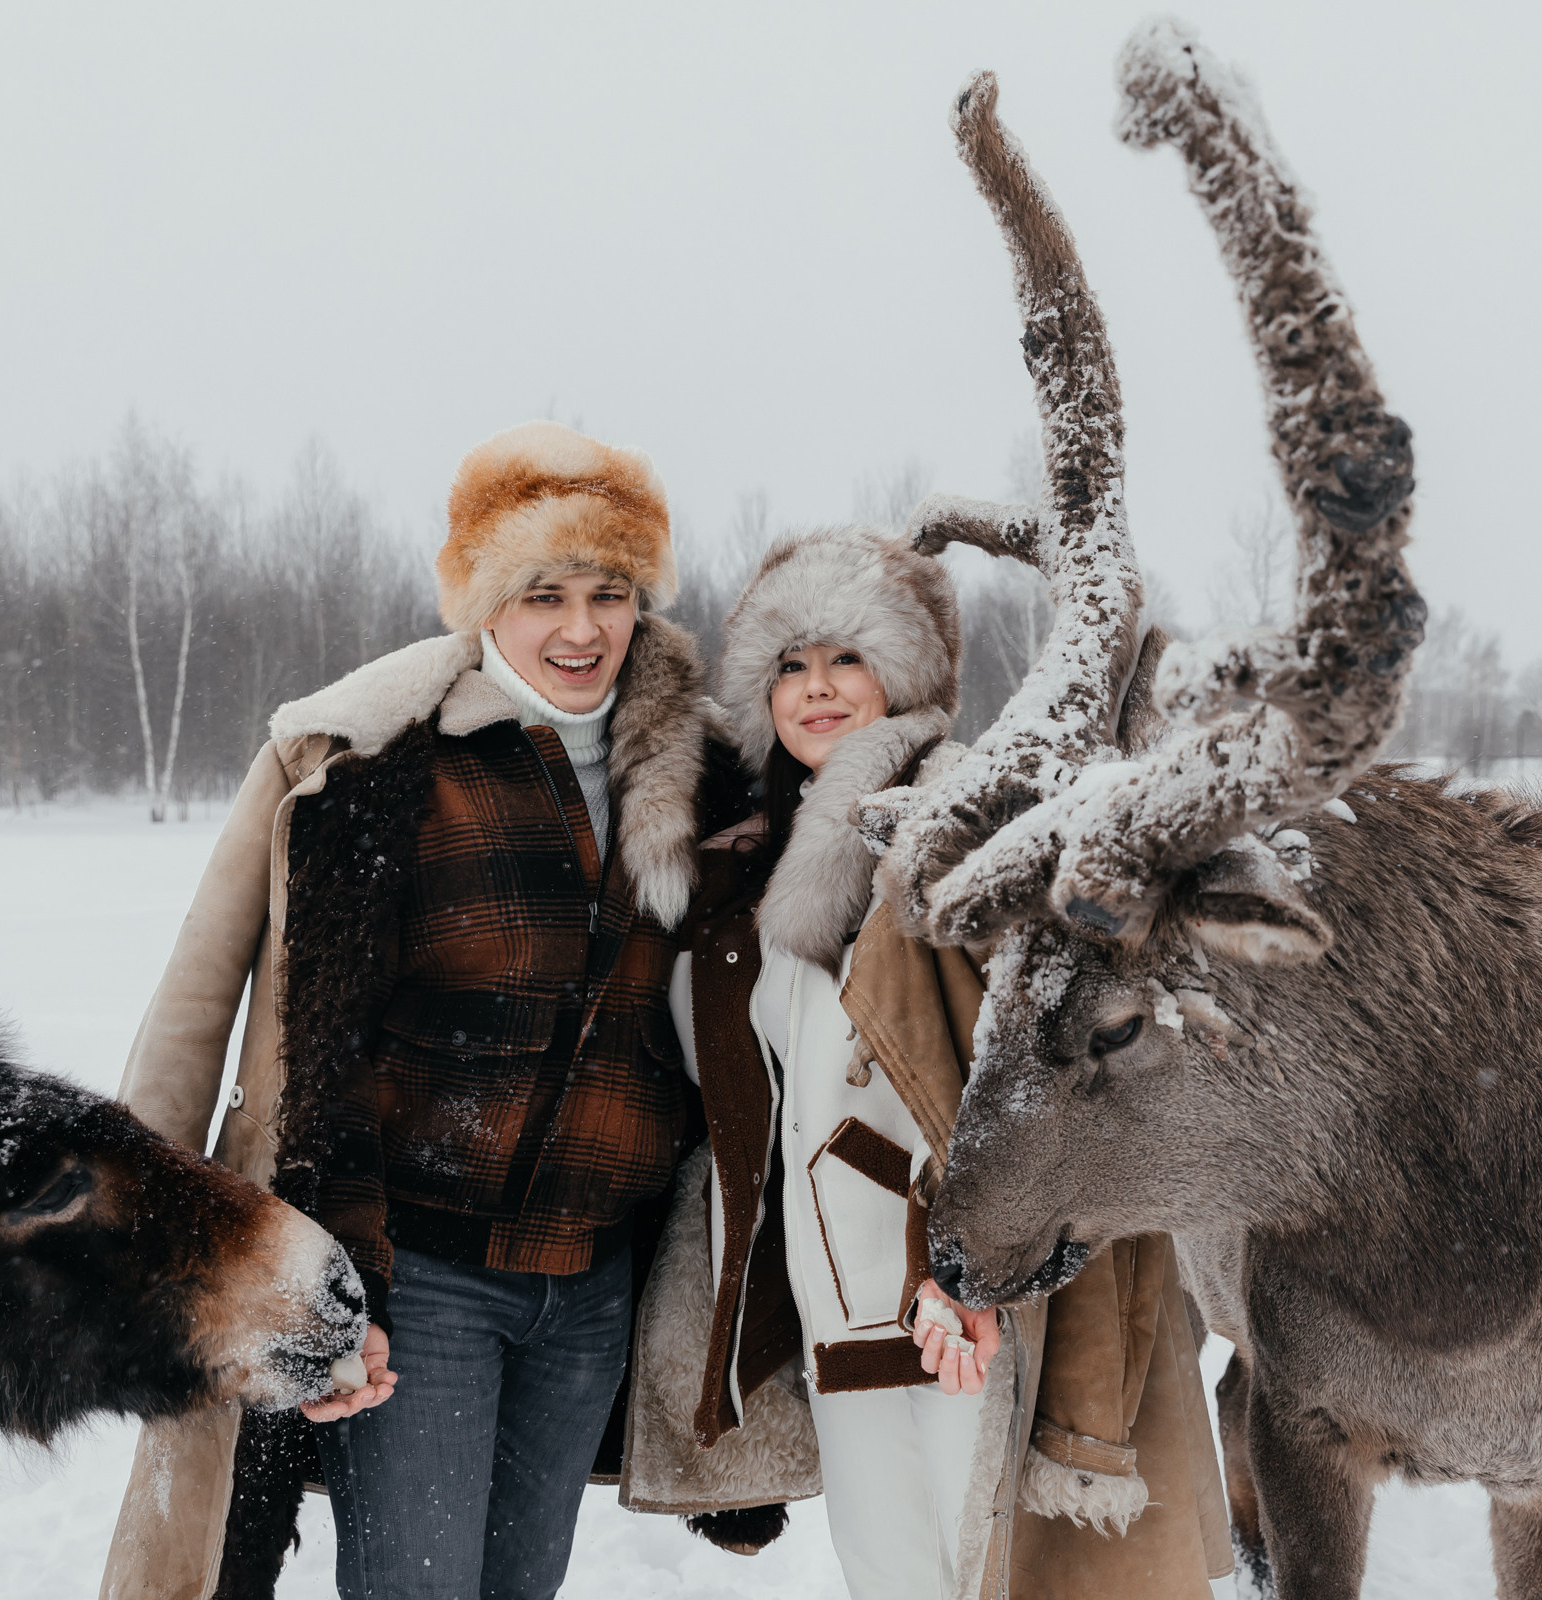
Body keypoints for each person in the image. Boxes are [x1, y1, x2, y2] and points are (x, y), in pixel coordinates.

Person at [100, 421, 723, 1600]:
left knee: (518, 1587)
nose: (582, 629)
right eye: (544, 594)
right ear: (486, 604)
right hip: (422, 1274)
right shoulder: (375, 761)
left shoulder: (699, 774)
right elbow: (236, 1009)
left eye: (609, 592)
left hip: (592, 1284)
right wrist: (156, 1211)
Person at [616, 526, 1231, 1600]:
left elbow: (1046, 1075)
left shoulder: (974, 834)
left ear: (904, 678)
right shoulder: (750, 870)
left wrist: (963, 1271)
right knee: (892, 1579)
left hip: (962, 1301)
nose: (816, 688)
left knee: (993, 1577)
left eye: (847, 658)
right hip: (834, 1310)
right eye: (791, 665)